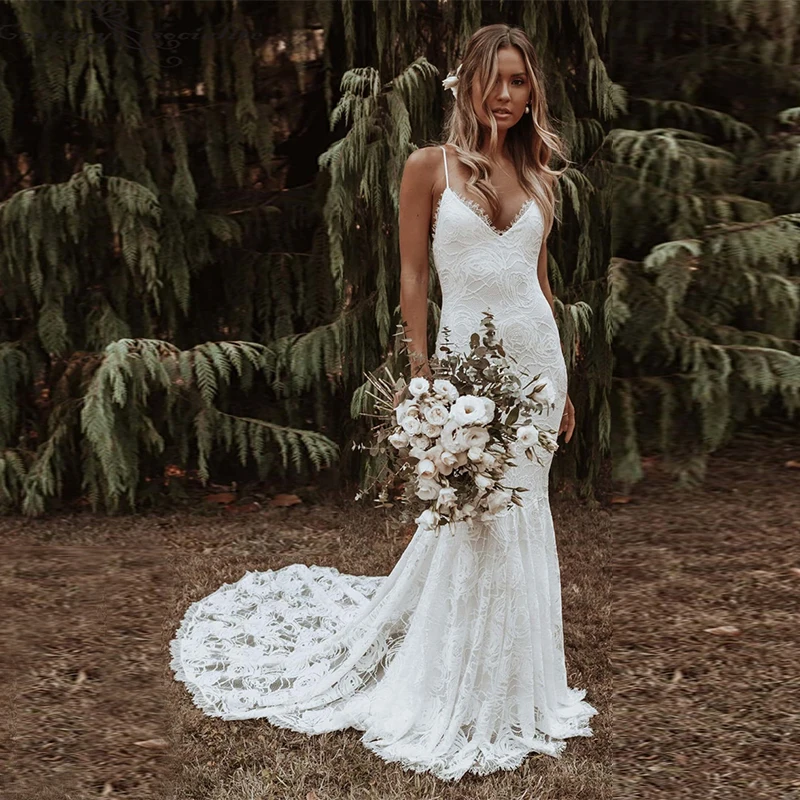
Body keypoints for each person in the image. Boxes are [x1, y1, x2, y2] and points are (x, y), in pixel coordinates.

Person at [170, 23, 597, 781]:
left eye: (520, 82)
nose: (506, 96)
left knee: (521, 511)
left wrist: (562, 380)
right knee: (471, 516)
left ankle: (517, 689)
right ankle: (452, 682)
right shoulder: (427, 168)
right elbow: (411, 281)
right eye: (494, 79)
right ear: (466, 83)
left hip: (536, 368)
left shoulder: (542, 179)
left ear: (534, 93)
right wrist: (424, 372)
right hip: (464, 370)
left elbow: (540, 286)